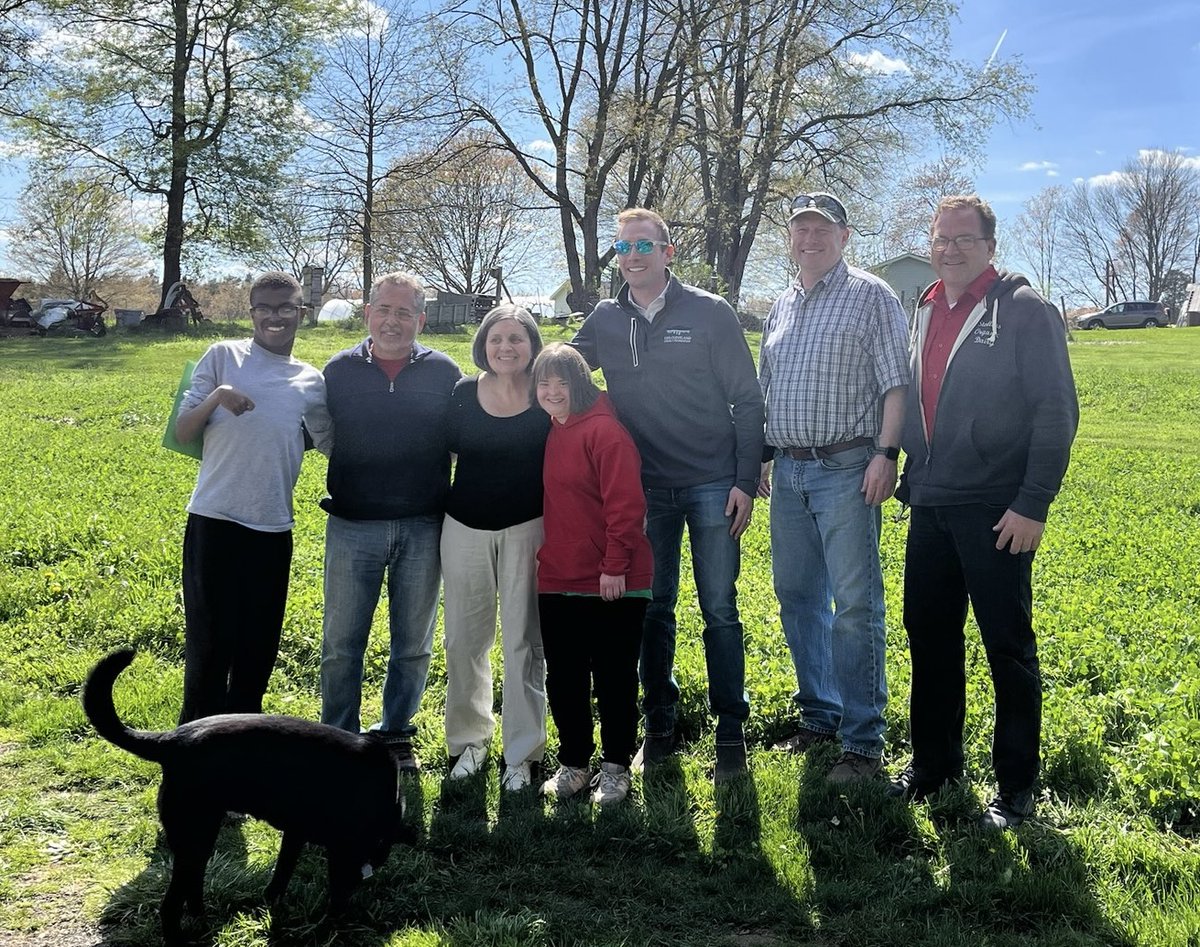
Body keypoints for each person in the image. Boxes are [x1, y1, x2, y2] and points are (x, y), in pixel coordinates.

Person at [892, 195, 1078, 830]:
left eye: (963, 239)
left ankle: (1016, 788)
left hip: (999, 512)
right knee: (930, 638)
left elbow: (1057, 413)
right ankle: (935, 766)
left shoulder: (1026, 312)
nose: (949, 249)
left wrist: (1033, 504)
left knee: (1007, 647)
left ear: (990, 246)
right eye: (940, 238)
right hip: (932, 505)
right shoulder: (924, 308)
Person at [572, 207, 764, 783]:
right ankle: (658, 725)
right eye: (622, 248)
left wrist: (746, 480)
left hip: (711, 483)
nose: (632, 257)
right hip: (643, 489)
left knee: (720, 610)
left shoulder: (709, 313)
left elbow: (748, 400)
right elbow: (563, 371)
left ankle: (731, 731)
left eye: (644, 247)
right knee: (653, 610)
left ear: (668, 251)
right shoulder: (606, 318)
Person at [758, 192, 910, 784]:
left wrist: (885, 454)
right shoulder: (781, 306)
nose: (810, 239)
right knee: (797, 598)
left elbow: (895, 384)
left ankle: (864, 743)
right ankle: (820, 715)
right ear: (790, 239)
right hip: (789, 470)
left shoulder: (871, 297)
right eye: (800, 229)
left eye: (822, 229)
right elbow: (768, 387)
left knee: (855, 606)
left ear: (844, 237)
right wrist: (766, 456)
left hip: (848, 469)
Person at [174, 271, 332, 723]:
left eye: (286, 308)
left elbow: (331, 442)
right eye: (264, 307)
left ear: (302, 312)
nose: (275, 317)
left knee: (258, 648)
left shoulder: (311, 381)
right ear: (251, 312)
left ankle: (242, 750)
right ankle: (194, 757)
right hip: (213, 521)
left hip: (271, 527)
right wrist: (218, 397)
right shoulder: (222, 356)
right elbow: (185, 430)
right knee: (208, 644)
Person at [319, 271, 462, 769]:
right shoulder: (337, 371)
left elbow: (462, 440)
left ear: (421, 319)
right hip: (353, 523)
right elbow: (317, 431)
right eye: (384, 309)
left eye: (405, 312)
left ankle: (396, 733)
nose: (393, 321)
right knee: (341, 642)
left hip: (424, 524)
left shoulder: (445, 373)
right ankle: (338, 737)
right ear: (367, 314)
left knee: (413, 642)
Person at [532, 343, 654, 805]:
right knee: (563, 677)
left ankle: (617, 766)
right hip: (559, 575)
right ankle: (575, 763)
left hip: (612, 578)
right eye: (544, 382)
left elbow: (626, 505)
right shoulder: (552, 430)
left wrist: (615, 565)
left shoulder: (605, 432)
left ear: (581, 383)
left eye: (563, 381)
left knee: (614, 676)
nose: (552, 391)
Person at [441, 304, 550, 792]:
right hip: (463, 528)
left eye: (516, 339)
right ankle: (469, 742)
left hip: (529, 529)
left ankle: (522, 753)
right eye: (496, 339)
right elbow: (441, 455)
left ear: (532, 345)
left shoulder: (547, 396)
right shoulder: (463, 395)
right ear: (483, 344)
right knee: (465, 640)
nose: (505, 347)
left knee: (524, 643)